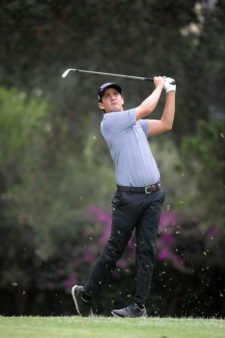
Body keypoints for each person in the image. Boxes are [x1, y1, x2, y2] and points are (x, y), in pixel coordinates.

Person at [71, 76, 176, 318]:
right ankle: (85, 296)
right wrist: (160, 86)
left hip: (153, 196)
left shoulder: (136, 124)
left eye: (115, 93)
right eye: (107, 96)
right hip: (128, 200)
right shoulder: (110, 122)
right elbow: (148, 107)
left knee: (147, 250)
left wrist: (171, 92)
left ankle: (138, 307)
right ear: (102, 106)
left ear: (122, 98)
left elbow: (166, 123)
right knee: (114, 250)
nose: (113, 97)